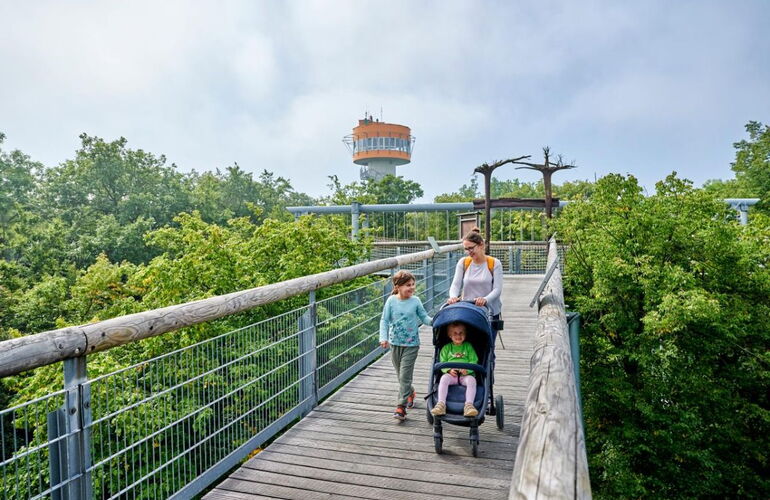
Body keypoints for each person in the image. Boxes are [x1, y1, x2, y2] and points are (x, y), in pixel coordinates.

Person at [379, 270, 432, 421]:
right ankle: (411, 392)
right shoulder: (391, 301)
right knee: (401, 377)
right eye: (408, 285)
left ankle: (400, 407)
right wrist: (383, 338)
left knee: (404, 376)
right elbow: (384, 320)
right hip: (395, 344)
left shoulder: (415, 301)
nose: (412, 287)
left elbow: (424, 317)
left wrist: (437, 322)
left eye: (413, 284)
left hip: (411, 345)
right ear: (398, 286)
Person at [447, 227, 503, 343]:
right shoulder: (463, 262)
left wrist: (485, 299)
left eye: (471, 248)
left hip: (489, 311)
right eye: (466, 249)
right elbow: (455, 284)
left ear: (481, 245)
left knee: (487, 346)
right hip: (469, 309)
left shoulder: (494, 263)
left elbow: (497, 289)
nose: (468, 252)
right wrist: (453, 296)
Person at [430, 322, 479, 417]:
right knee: (444, 379)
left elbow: (474, 360)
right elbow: (442, 362)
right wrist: (448, 370)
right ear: (450, 335)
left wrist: (467, 370)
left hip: (465, 374)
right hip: (451, 375)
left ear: (465, 334)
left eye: (461, 333)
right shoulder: (446, 348)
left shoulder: (468, 346)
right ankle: (441, 404)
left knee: (471, 380)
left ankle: (469, 405)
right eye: (455, 333)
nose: (458, 336)